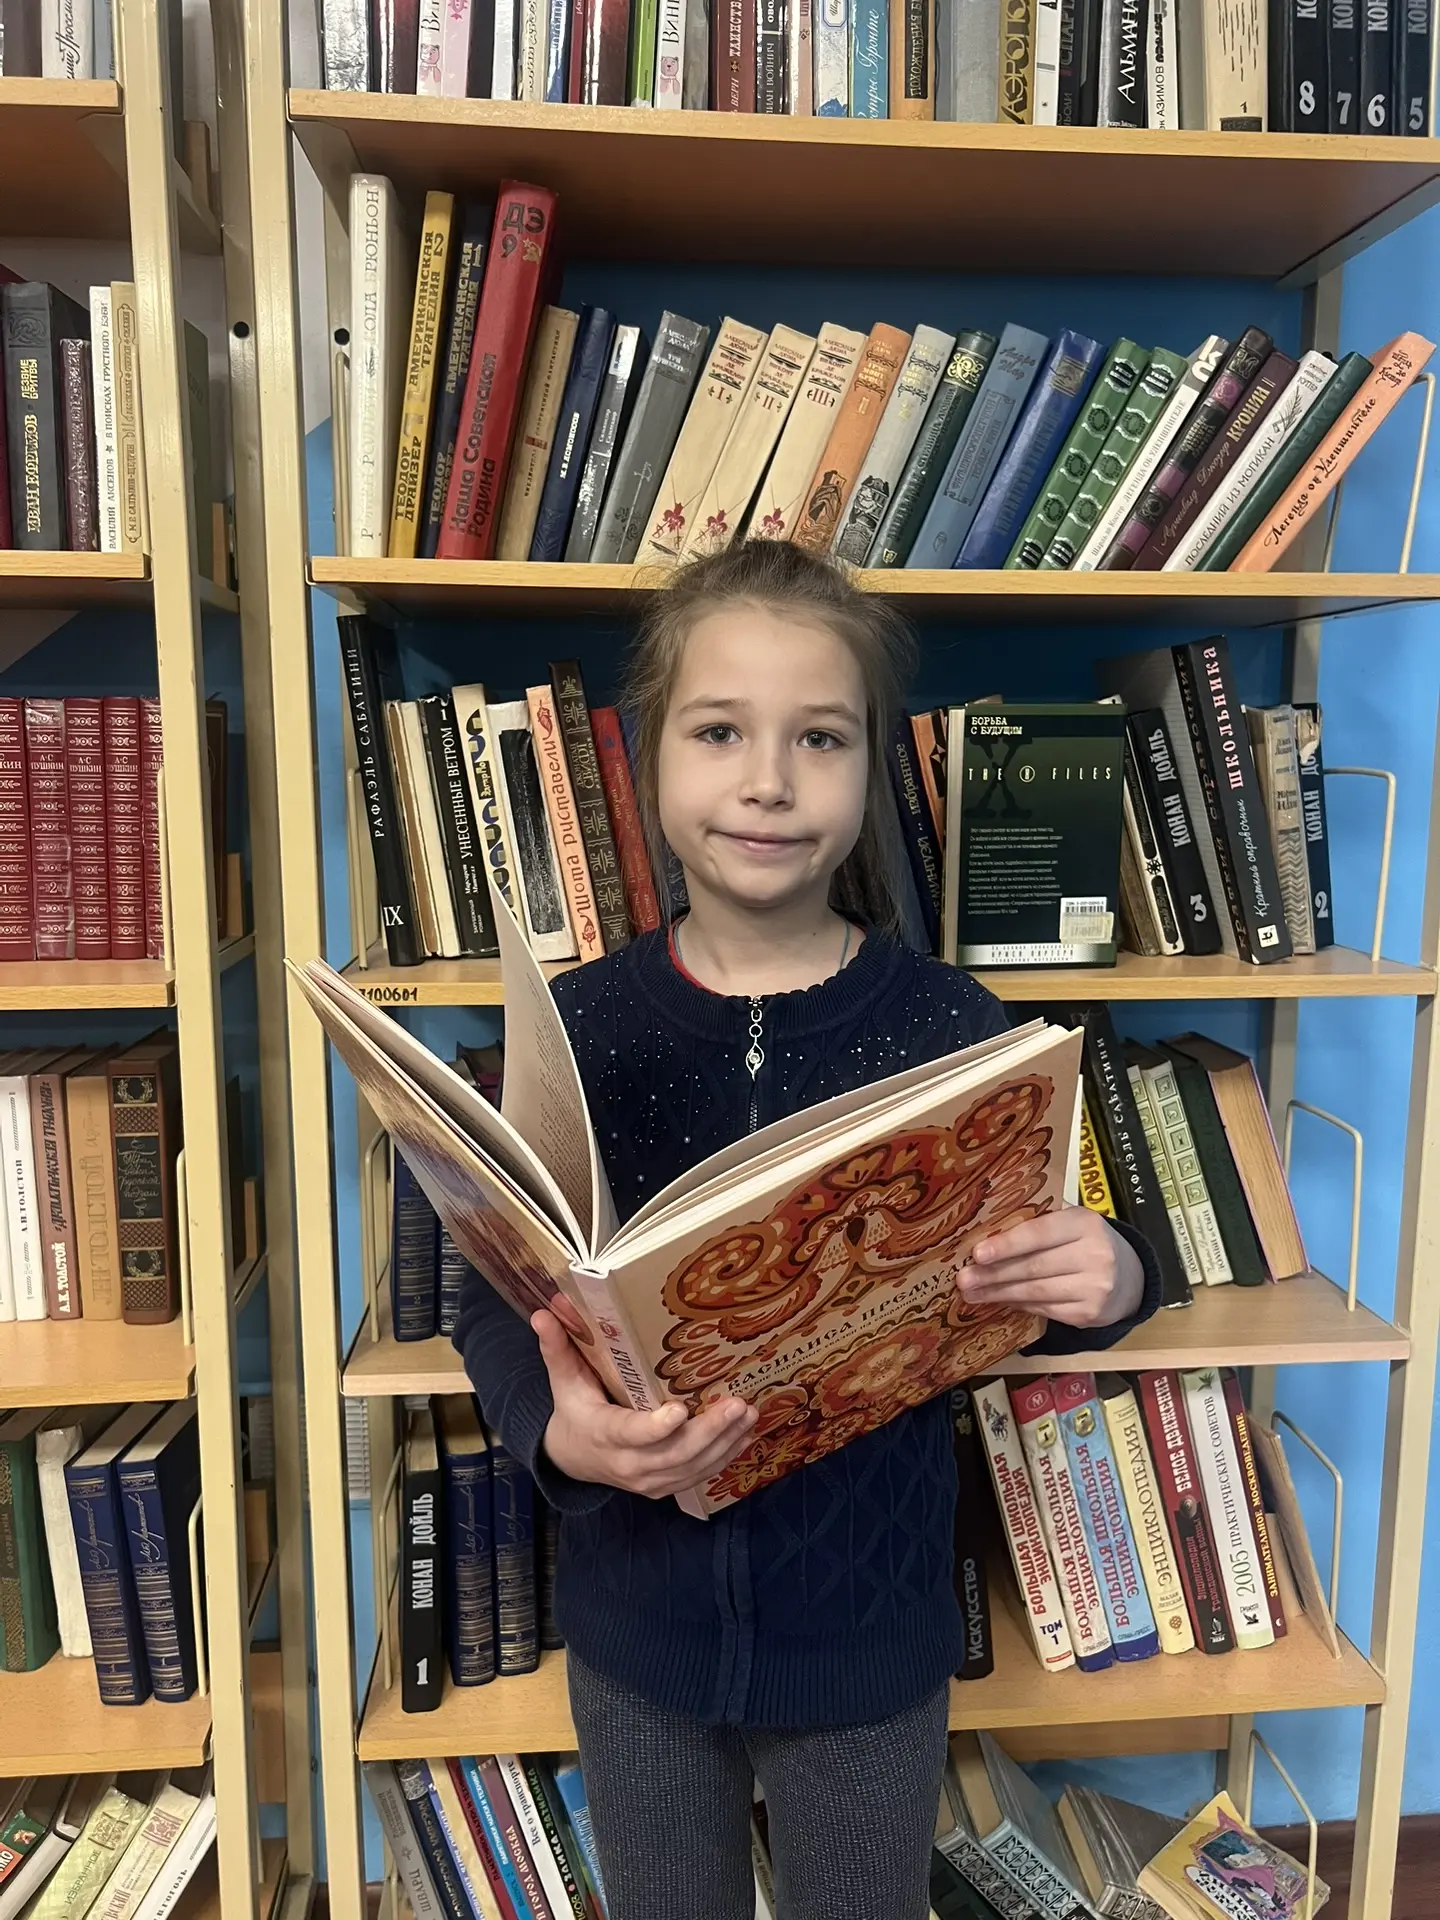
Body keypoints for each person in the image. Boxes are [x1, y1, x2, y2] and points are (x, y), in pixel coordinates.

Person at [454, 540, 1161, 1920]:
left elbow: (1041, 1271)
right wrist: (556, 1427)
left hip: (868, 1638)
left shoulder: (954, 1025)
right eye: (720, 731)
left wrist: (1113, 1271)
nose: (769, 781)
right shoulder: (574, 1030)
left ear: (871, 767)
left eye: (820, 738)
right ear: (650, 758)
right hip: (637, 1631)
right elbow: (490, 1292)